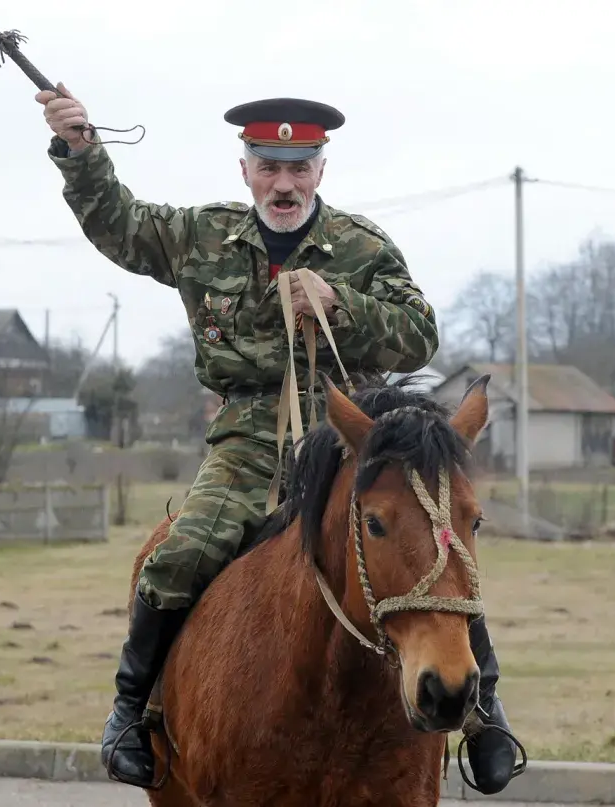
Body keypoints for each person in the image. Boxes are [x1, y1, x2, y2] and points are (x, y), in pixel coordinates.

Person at [33, 86, 521, 795]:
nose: (283, 183)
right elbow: (121, 226)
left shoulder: (360, 245)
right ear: (245, 169)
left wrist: (340, 302)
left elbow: (419, 332)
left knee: (429, 548)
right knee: (181, 552)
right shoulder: (202, 235)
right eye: (269, 167)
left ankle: (483, 715)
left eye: (299, 167)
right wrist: (80, 151)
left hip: (353, 431)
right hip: (248, 435)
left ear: (320, 169)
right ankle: (130, 712)